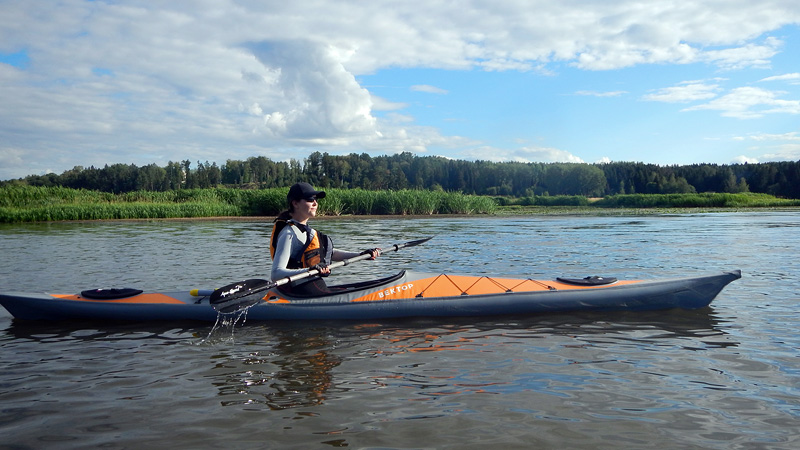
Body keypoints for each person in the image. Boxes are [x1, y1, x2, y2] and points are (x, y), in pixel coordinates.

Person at [270, 182, 381, 296]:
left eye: (316, 199)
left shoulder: (304, 231)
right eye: (310, 199)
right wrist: (310, 270)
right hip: (300, 289)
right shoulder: (288, 234)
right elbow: (276, 273)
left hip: (312, 285)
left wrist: (361, 255)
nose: (315, 203)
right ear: (295, 203)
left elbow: (329, 253)